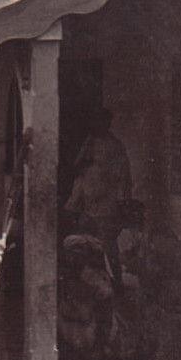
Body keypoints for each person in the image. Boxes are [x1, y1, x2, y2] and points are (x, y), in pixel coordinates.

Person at [64, 107, 132, 253]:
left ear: (108, 123)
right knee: (82, 244)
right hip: (86, 203)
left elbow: (124, 175)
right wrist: (74, 203)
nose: (98, 125)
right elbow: (78, 171)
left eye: (103, 121)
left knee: (106, 244)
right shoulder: (89, 142)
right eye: (96, 121)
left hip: (106, 204)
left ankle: (111, 274)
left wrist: (123, 200)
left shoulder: (115, 146)